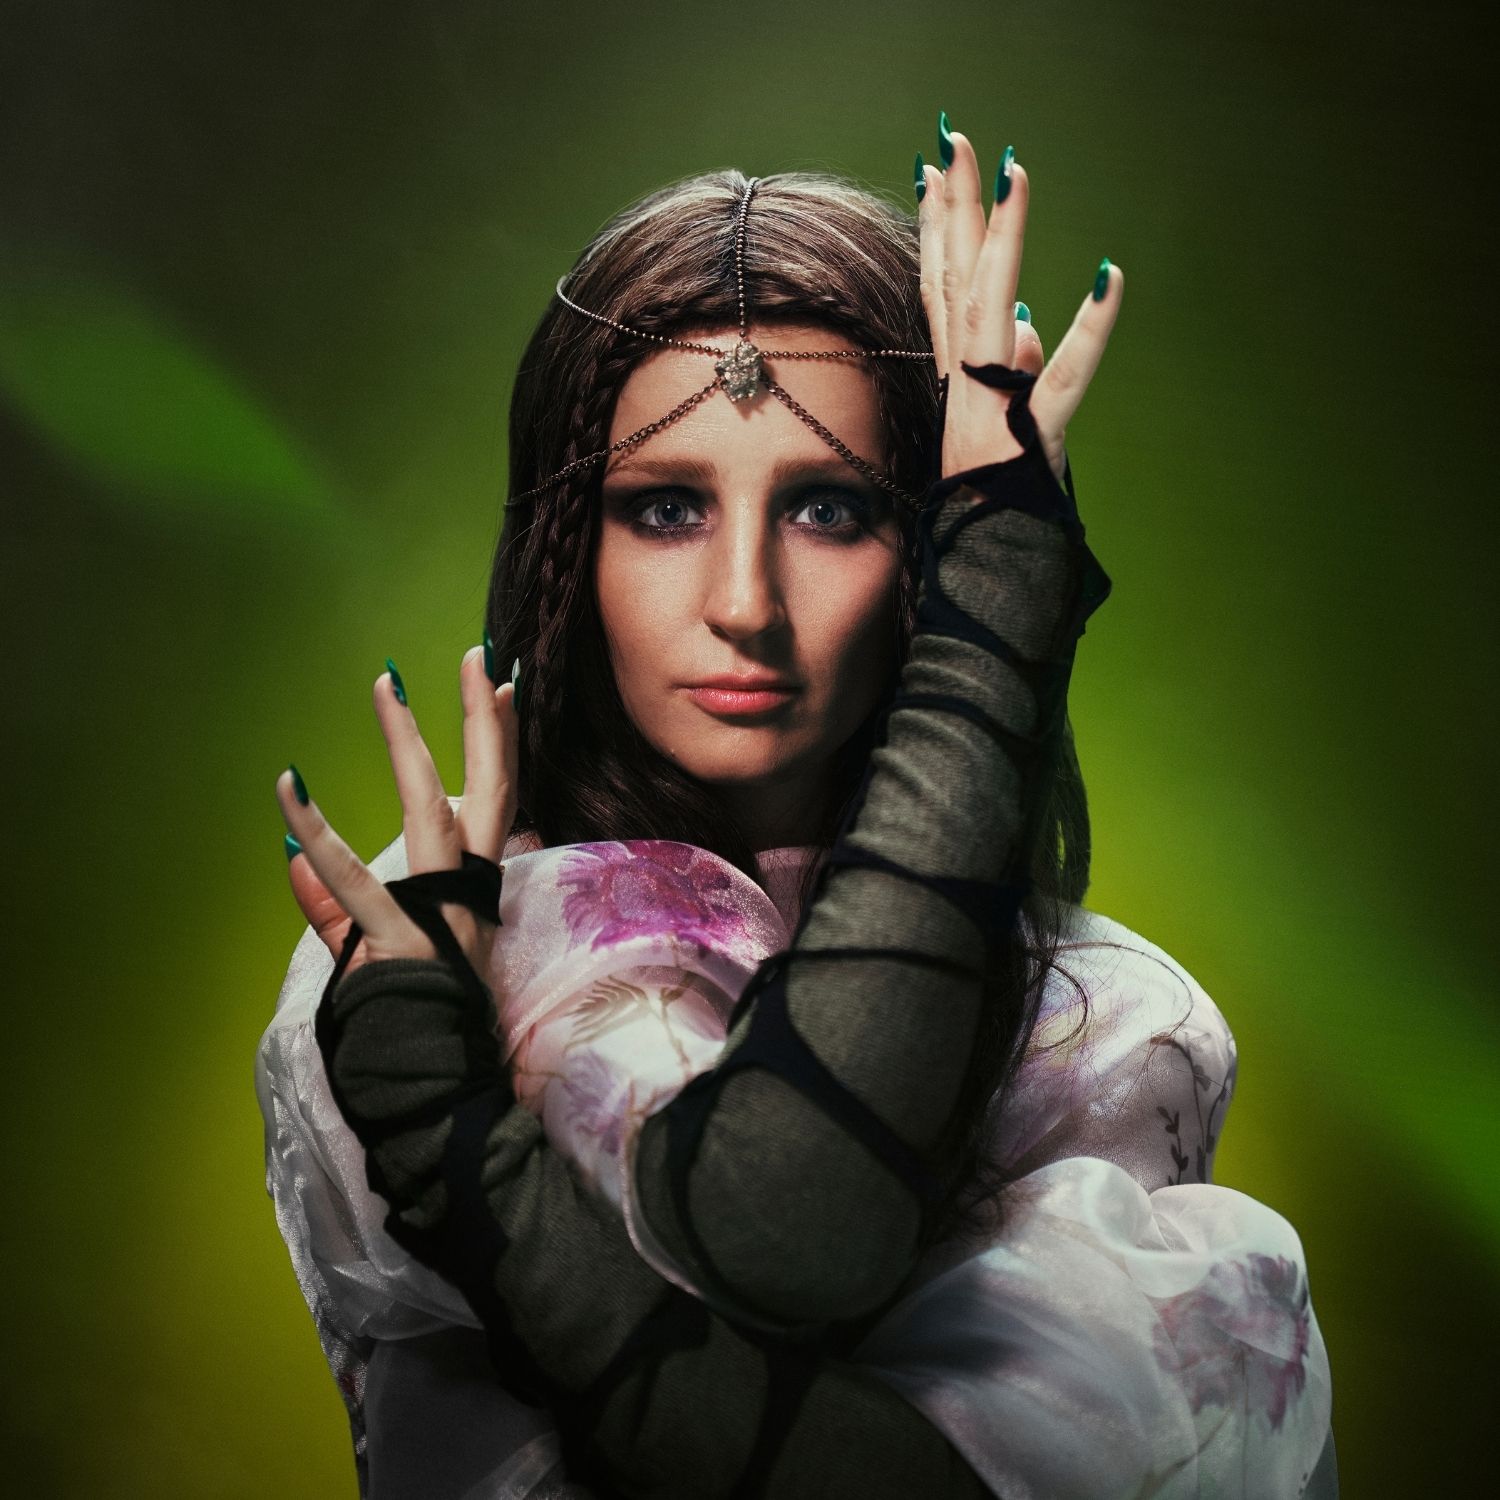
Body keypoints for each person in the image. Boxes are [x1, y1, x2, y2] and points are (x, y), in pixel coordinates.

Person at [257, 125, 1336, 1498]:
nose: (745, 604)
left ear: (928, 542)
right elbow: (784, 1229)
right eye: (664, 509)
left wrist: (452, 1142)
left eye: (830, 508)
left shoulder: (1109, 1029)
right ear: (566, 547)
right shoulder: (439, 947)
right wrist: (995, 630)